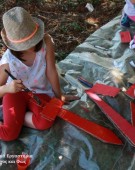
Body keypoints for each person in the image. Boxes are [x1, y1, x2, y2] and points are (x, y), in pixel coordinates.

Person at [0, 7, 79, 141]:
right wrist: (8, 88)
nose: (31, 45)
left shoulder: (46, 41)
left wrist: (59, 97)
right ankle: (14, 116)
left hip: (39, 93)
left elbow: (51, 70)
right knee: (9, 134)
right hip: (14, 94)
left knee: (46, 120)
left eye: (32, 40)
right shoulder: (8, 61)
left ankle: (17, 116)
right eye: (25, 44)